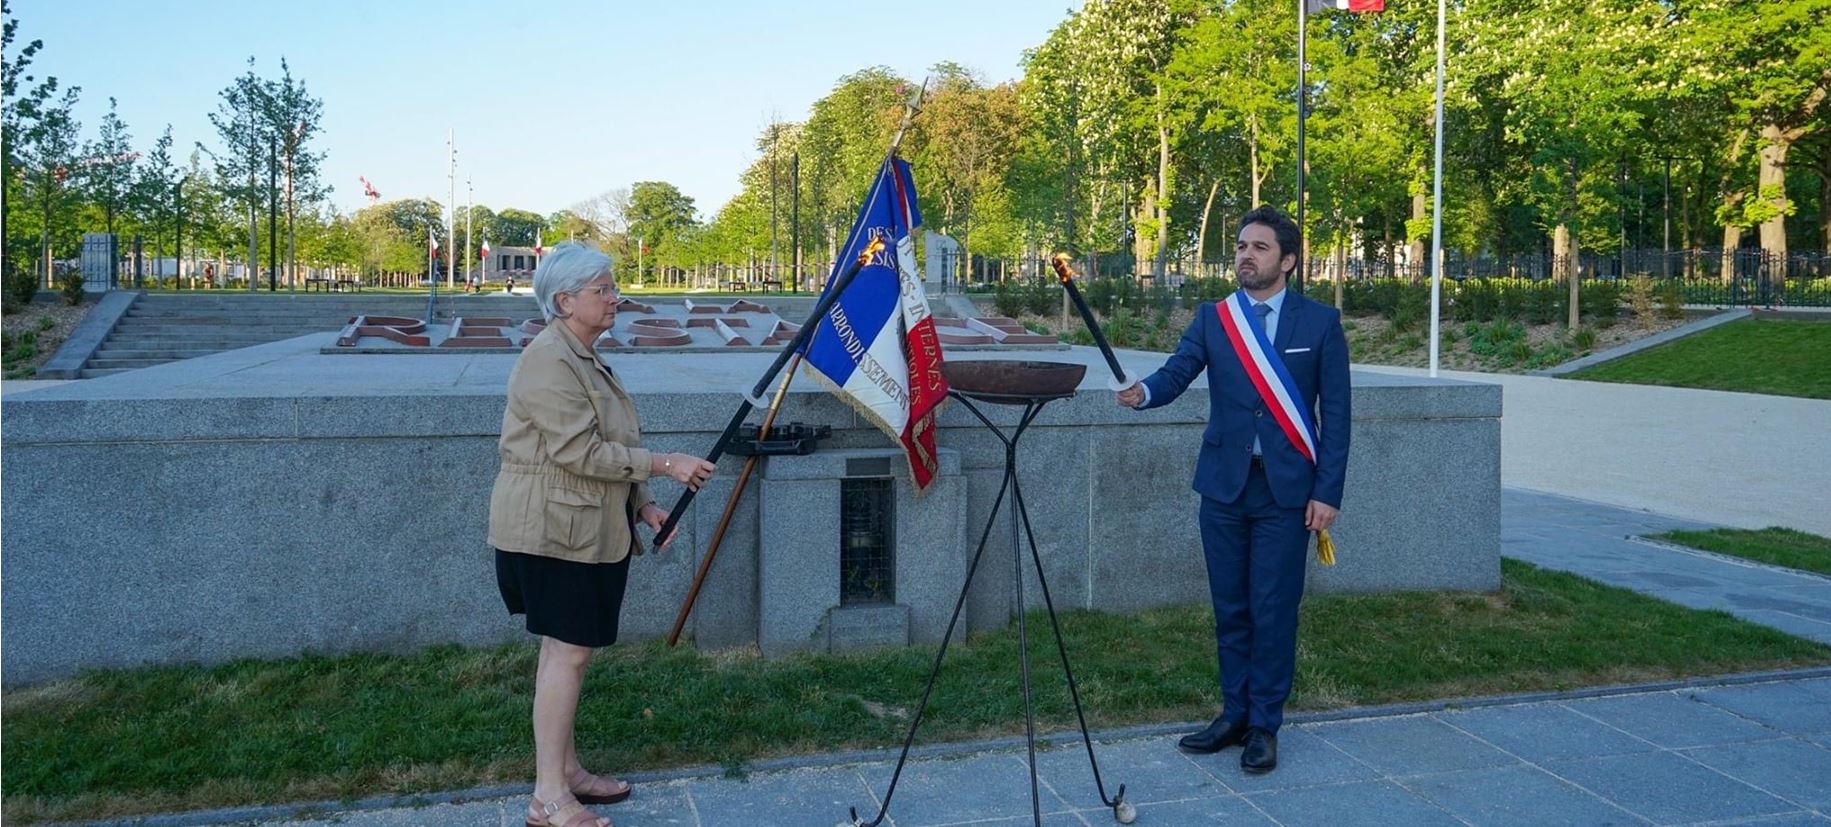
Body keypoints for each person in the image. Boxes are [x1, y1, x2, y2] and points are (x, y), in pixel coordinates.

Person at [488, 242, 716, 827]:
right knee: (568, 652)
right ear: (564, 301)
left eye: (612, 287)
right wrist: (665, 464)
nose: (615, 298)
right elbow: (579, 451)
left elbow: (607, 439)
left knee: (565, 652)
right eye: (603, 290)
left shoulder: (580, 354)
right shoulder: (548, 361)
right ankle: (548, 799)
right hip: (549, 530)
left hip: (579, 525)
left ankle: (565, 772)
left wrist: (643, 505)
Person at [1116, 206, 1350, 774]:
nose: (1246, 255)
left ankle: (1265, 724)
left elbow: (1337, 416)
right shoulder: (1213, 319)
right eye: (1242, 246)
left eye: (1260, 247)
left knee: (1273, 610)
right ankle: (1233, 714)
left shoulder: (1319, 324)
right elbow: (1177, 374)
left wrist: (1328, 492)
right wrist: (1144, 393)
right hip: (1223, 488)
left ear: (1289, 260)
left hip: (1287, 494)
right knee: (1231, 607)